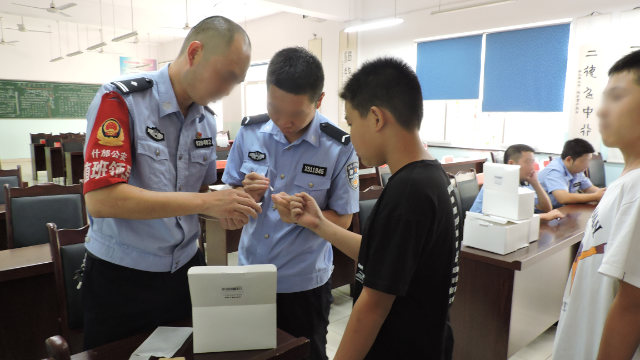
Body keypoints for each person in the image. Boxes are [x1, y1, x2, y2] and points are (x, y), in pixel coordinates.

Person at [81, 16, 261, 349]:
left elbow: (199, 195)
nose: (227, 90)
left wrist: (230, 201)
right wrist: (207, 203)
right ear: (194, 53)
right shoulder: (121, 100)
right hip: (123, 278)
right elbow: (102, 199)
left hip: (184, 273)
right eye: (226, 76)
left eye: (237, 82)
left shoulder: (205, 120)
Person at [273, 57, 460, 359]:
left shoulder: (408, 192)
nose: (350, 134)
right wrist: (318, 223)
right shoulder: (432, 177)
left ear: (375, 118)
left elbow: (371, 308)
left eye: (350, 122)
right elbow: (385, 256)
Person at [221, 47, 359, 360]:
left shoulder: (338, 148)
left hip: (304, 284)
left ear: (319, 101)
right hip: (251, 277)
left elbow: (344, 219)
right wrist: (246, 195)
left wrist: (304, 217)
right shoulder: (249, 132)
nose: (284, 122)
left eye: (296, 115)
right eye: (274, 109)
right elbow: (230, 196)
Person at [552, 49, 640, 359]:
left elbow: (632, 310)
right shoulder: (626, 184)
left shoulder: (637, 189)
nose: (601, 111)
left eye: (616, 97)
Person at [469, 144, 565, 221]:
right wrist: (544, 216)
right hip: (482, 231)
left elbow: (546, 208)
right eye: (528, 162)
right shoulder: (499, 181)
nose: (532, 167)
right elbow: (509, 218)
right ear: (511, 164)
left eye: (533, 162)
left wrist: (535, 183)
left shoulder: (519, 183)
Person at [538, 138, 606, 208]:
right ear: (569, 160)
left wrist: (604, 194)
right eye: (585, 161)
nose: (587, 165)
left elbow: (588, 188)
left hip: (558, 209)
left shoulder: (576, 170)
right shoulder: (555, 170)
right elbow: (563, 198)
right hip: (539, 213)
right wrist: (595, 196)